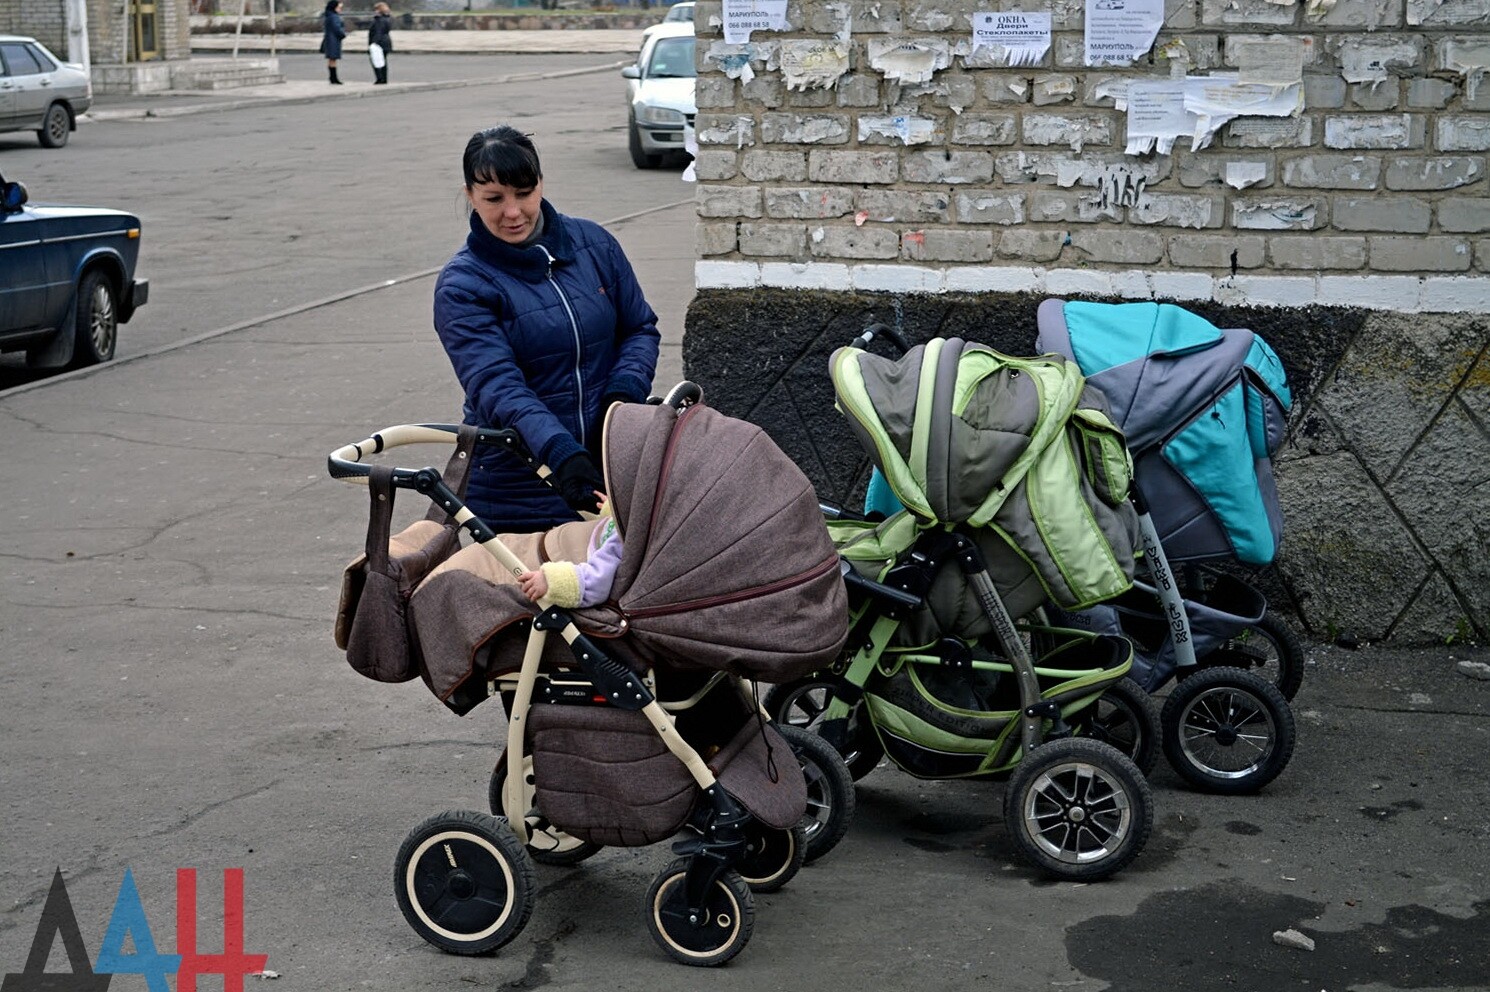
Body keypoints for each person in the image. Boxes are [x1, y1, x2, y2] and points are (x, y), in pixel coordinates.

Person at [433, 125, 661, 533]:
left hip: (610, 468)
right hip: (516, 486)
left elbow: (639, 328)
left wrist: (621, 398)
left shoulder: (595, 244)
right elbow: (497, 385)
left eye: (524, 193)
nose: (513, 212)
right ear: (469, 195)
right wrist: (560, 452)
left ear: (540, 183)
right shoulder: (463, 286)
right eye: (493, 199)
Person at [517, 495, 621, 608]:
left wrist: (551, 582)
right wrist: (616, 509)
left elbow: (599, 580)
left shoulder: (624, 538)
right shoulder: (629, 524)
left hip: (546, 567)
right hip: (548, 544)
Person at [320, 0, 346, 85]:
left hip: (329, 39)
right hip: (334, 40)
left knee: (332, 59)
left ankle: (332, 77)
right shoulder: (334, 17)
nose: (340, 9)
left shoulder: (328, 15)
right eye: (339, 7)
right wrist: (343, 34)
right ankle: (334, 78)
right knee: (333, 58)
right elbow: (337, 28)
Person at [367, 2, 393, 85]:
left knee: (376, 61)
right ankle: (384, 78)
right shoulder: (387, 18)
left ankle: (380, 78)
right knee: (383, 61)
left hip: (379, 43)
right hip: (386, 42)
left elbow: (378, 32)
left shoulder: (379, 20)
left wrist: (374, 43)